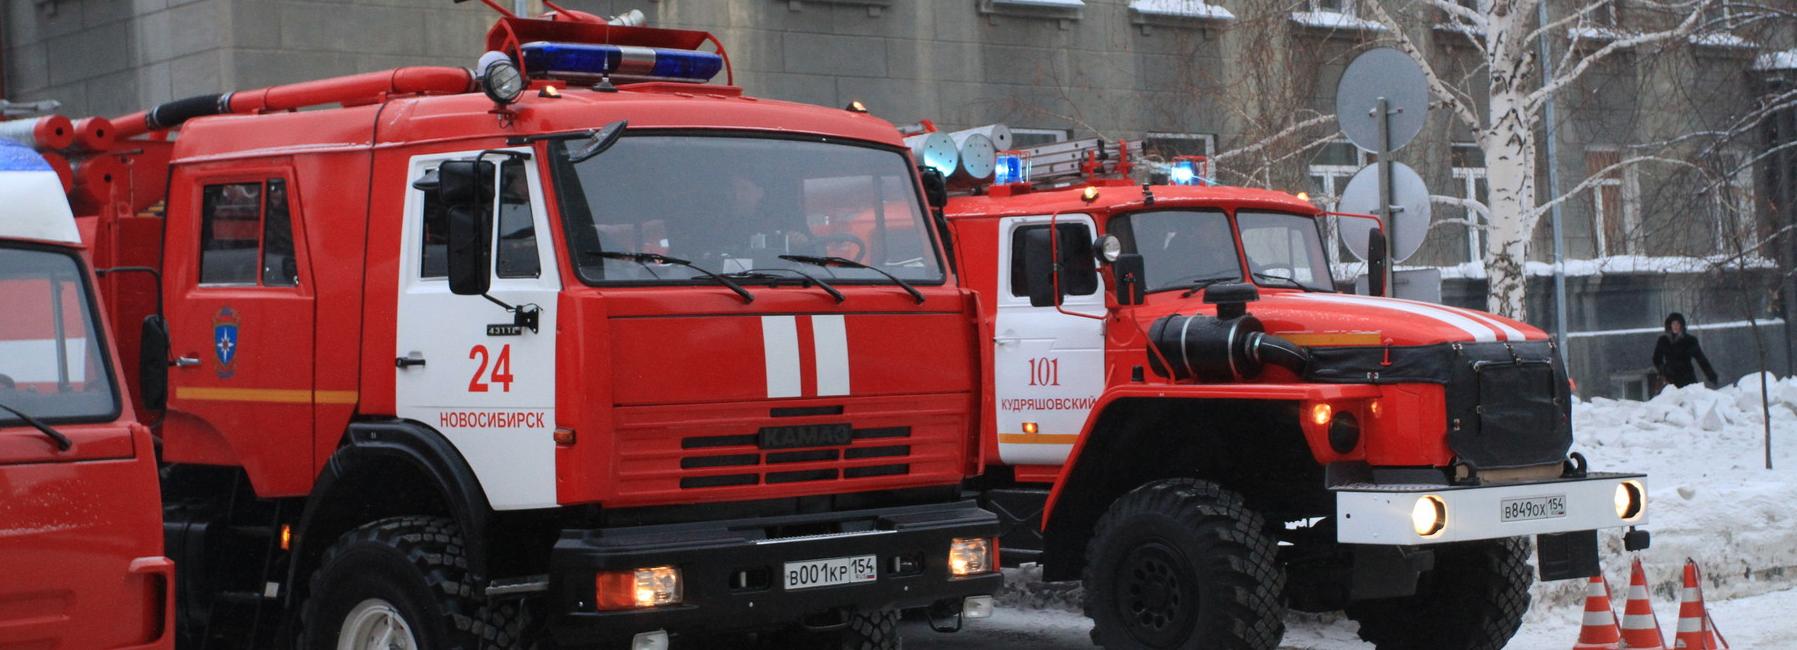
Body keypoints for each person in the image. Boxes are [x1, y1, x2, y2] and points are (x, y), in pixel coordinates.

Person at [1652, 312, 1718, 388]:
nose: (1675, 326)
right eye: (1673, 324)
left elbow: (1701, 359)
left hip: (1687, 378)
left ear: (1681, 325)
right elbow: (1656, 359)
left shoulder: (1690, 341)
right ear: (1670, 325)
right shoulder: (1663, 341)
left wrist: (1711, 375)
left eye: (1678, 324)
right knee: (1672, 399)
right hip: (1670, 380)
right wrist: (1663, 370)